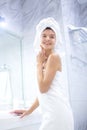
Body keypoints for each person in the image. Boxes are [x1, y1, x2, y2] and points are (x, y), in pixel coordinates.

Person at [11, 17, 74, 130]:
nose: (48, 39)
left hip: (57, 112)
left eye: (52, 36)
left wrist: (39, 64)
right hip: (52, 112)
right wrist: (29, 110)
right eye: (44, 35)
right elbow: (43, 94)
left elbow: (43, 89)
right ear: (39, 38)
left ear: (56, 40)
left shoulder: (54, 57)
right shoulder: (46, 60)